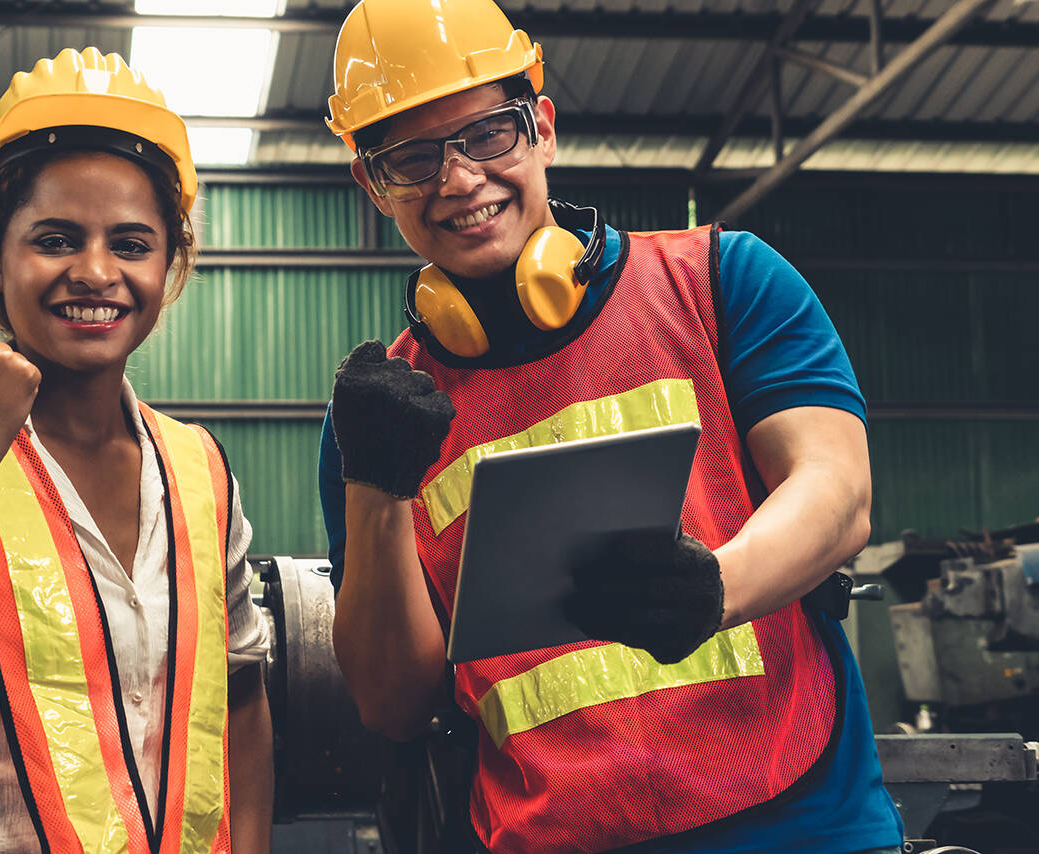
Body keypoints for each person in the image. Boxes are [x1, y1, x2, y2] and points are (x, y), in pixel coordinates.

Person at [318, 1, 902, 852]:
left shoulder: (721, 282)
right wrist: (374, 488)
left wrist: (716, 588)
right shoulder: (378, 420)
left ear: (542, 129)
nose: (457, 180)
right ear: (374, 185)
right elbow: (392, 704)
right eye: (410, 157)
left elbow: (838, 493)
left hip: (799, 821)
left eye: (488, 135)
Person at [0, 47, 272, 854]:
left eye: (132, 244)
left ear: (169, 263)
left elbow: (241, 695)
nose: (96, 272)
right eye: (57, 238)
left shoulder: (200, 469)